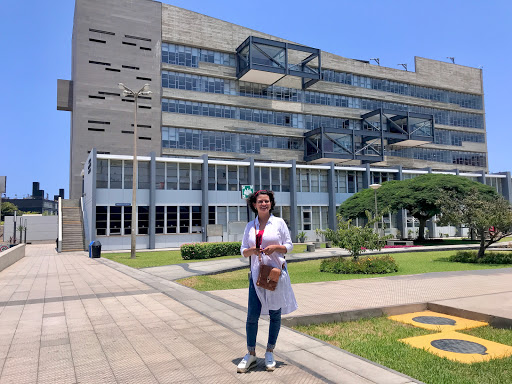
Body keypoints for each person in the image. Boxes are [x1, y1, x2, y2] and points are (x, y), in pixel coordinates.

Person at [237, 190, 298, 373]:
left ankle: (270, 351)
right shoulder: (250, 226)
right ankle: (251, 353)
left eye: (267, 201)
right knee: (252, 316)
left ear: (271, 204)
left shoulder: (278, 223)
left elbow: (289, 246)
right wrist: (252, 251)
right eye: (260, 201)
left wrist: (275, 248)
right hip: (256, 275)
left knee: (275, 314)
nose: (264, 204)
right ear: (254, 205)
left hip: (274, 274)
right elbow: (242, 250)